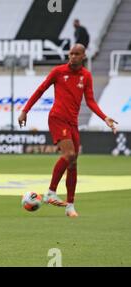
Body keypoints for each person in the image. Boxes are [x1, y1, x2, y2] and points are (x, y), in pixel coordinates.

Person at [18, 44, 117, 218]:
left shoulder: (86, 76)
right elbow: (40, 90)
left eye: (76, 54)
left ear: (83, 56)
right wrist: (25, 110)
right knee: (69, 155)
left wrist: (104, 117)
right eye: (70, 53)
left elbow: (91, 101)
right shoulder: (58, 71)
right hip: (57, 118)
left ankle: (70, 206)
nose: (72, 56)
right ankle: (50, 192)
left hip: (72, 123)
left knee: (73, 163)